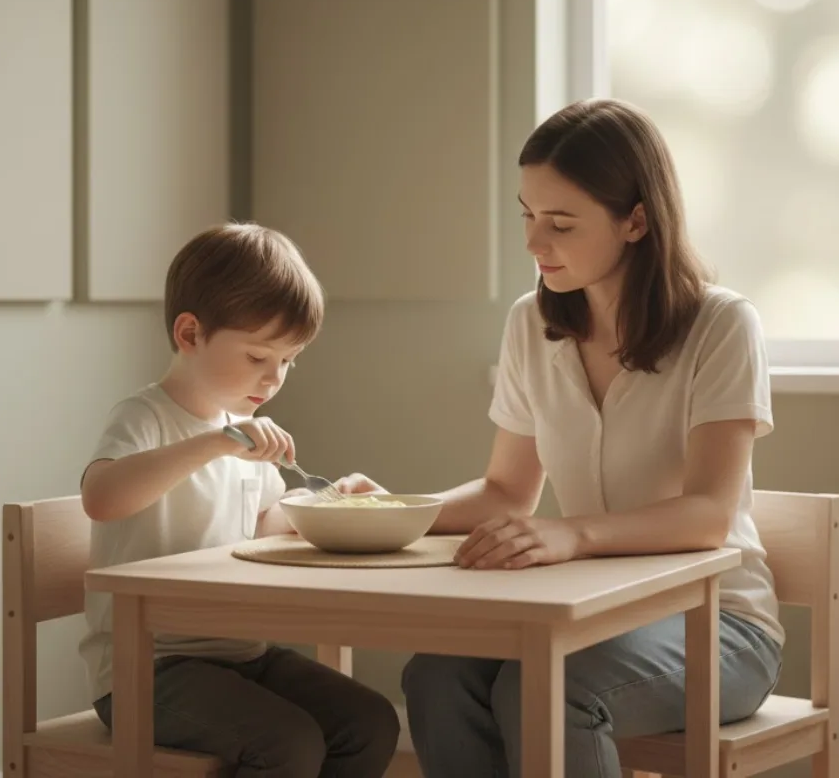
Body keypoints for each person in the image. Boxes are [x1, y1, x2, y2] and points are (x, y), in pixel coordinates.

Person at [336, 98, 784, 777]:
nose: (534, 243)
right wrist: (393, 510)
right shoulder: (530, 324)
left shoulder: (721, 326)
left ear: (636, 220)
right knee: (436, 676)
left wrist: (571, 534)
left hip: (719, 626)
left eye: (561, 223)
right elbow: (506, 492)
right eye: (528, 215)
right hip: (584, 614)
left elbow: (708, 515)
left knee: (546, 689)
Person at [78, 223, 400, 777]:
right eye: (257, 356)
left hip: (238, 654)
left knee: (370, 721)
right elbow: (102, 498)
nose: (274, 377)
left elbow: (264, 522)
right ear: (189, 333)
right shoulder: (146, 417)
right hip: (147, 670)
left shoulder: (241, 426)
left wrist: (324, 506)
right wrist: (214, 444)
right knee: (288, 744)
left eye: (289, 360)